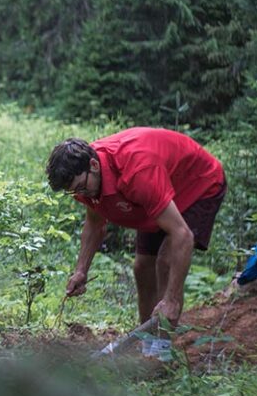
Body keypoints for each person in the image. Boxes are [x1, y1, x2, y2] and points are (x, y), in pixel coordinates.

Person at [46, 128, 226, 328]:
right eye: (73, 191)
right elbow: (95, 223)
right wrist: (81, 271)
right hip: (160, 189)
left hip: (198, 184)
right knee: (143, 267)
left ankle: (161, 349)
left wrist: (172, 299)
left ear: (94, 165)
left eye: (81, 187)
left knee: (166, 262)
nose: (81, 195)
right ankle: (146, 339)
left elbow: (182, 235)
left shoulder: (137, 172)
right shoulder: (88, 180)